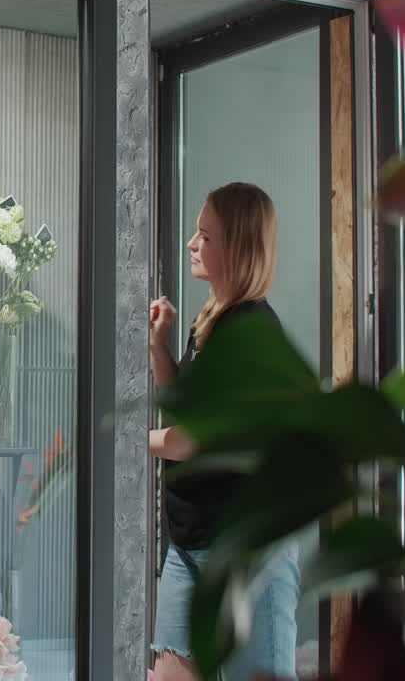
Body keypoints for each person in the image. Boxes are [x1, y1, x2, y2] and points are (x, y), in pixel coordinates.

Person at [149, 182, 300, 681]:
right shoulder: (213, 322)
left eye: (205, 236)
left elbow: (191, 439)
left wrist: (120, 441)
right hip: (191, 543)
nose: (192, 244)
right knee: (168, 674)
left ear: (237, 247)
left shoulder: (249, 330)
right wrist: (160, 349)